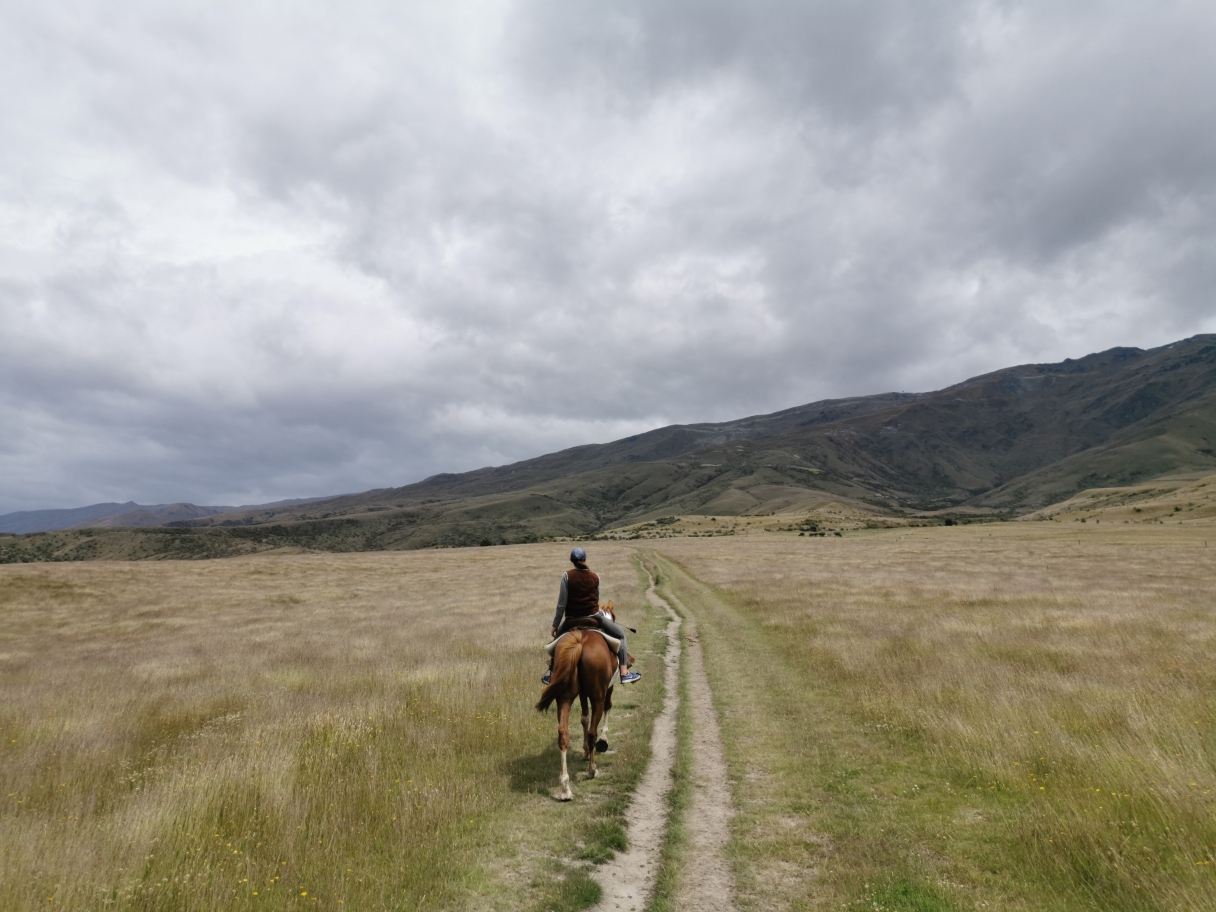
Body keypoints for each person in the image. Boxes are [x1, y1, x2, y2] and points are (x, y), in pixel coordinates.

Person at [543, 547, 641, 686]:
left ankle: (553, 674)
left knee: (556, 642)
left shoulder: (566, 576)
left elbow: (561, 604)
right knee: (621, 637)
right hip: (594, 617)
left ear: (572, 561)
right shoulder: (595, 577)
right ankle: (624, 672)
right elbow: (596, 599)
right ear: (585, 559)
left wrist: (555, 625)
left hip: (571, 619)